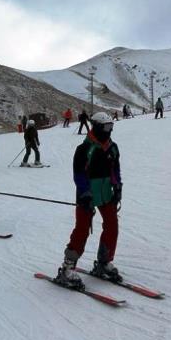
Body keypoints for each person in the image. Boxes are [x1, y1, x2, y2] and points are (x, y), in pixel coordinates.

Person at [55, 112, 123, 288]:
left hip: (106, 193)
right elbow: (79, 174)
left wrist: (117, 187)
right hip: (88, 195)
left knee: (112, 225)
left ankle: (104, 262)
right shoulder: (84, 149)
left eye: (111, 127)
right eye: (107, 127)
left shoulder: (112, 147)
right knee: (82, 229)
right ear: (98, 127)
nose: (110, 130)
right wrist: (84, 193)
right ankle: (68, 267)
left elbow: (115, 170)